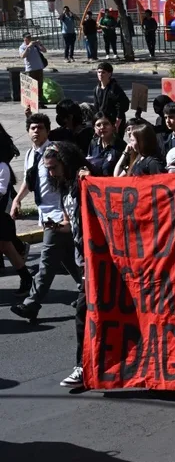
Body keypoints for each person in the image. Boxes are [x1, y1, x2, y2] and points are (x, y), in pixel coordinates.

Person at [9, 114, 83, 322]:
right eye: (32, 128)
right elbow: (29, 180)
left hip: (59, 216)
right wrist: (17, 200)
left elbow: (67, 180)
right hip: (46, 215)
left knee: (46, 263)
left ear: (48, 130)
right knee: (67, 258)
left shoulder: (56, 153)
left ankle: (31, 304)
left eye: (40, 127)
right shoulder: (31, 154)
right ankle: (86, 290)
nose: (36, 131)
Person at [34, 142, 91, 387]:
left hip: (95, 260)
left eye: (54, 167)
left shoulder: (83, 183)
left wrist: (89, 178)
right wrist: (57, 227)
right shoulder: (65, 187)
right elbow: (70, 224)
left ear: (66, 163)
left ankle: (82, 367)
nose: (51, 173)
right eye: (48, 169)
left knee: (82, 313)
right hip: (82, 261)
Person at [0, 138, 32, 296]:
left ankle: (27, 279)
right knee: (6, 247)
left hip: (2, 215)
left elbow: (1, 191)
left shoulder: (2, 167)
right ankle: (26, 278)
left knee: (7, 247)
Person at [94, 62, 130, 128]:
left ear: (109, 74)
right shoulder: (97, 89)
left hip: (114, 122)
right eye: (99, 72)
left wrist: (117, 124)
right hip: (102, 122)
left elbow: (122, 106)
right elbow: (96, 108)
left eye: (103, 72)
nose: (100, 74)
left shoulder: (115, 88)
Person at [19, 33, 46, 105]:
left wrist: (40, 44)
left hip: (39, 68)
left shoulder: (35, 45)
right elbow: (22, 56)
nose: (29, 39)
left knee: (39, 86)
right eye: (27, 38)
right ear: (24, 39)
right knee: (32, 87)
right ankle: (32, 104)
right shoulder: (22, 47)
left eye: (30, 37)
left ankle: (40, 102)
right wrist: (28, 47)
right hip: (30, 69)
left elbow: (44, 50)